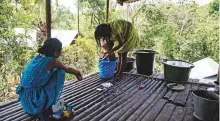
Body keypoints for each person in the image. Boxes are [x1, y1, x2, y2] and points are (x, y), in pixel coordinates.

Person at [16, 38, 82, 120]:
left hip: (26, 103)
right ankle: (49, 104)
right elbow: (67, 69)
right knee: (60, 72)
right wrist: (77, 72)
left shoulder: (36, 58)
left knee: (52, 73)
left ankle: (47, 102)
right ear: (56, 52)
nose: (61, 53)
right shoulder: (52, 61)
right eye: (60, 51)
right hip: (36, 105)